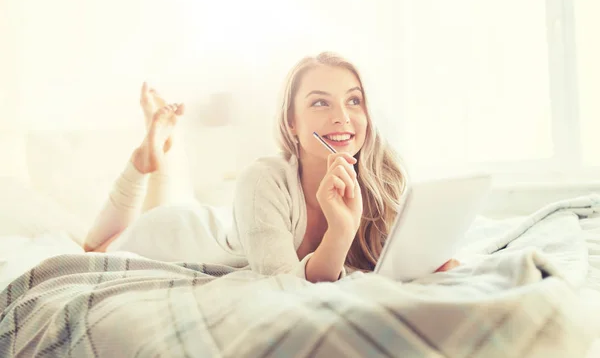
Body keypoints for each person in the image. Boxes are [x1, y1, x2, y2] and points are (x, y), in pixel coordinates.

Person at [82, 52, 459, 282]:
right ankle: (142, 161)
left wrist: (427, 261)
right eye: (319, 103)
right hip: (177, 234)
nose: (342, 117)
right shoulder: (261, 179)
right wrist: (341, 231)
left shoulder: (377, 179)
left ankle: (159, 153)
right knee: (93, 249)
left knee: (165, 196)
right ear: (291, 124)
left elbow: (387, 262)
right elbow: (284, 282)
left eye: (354, 101)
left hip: (218, 224)